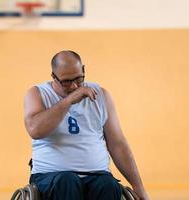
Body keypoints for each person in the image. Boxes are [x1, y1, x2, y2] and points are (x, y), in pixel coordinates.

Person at [24, 50, 149, 200]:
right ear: (54, 78)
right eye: (67, 82)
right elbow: (35, 130)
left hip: (96, 175)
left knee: (107, 184)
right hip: (51, 176)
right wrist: (69, 101)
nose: (74, 86)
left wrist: (139, 188)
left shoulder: (101, 95)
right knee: (67, 181)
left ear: (83, 69)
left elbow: (118, 144)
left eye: (79, 79)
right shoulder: (37, 93)